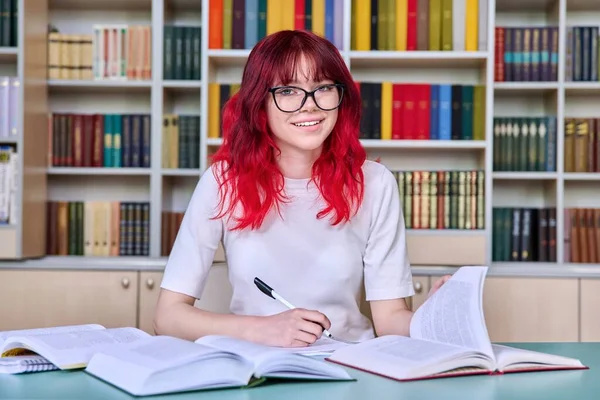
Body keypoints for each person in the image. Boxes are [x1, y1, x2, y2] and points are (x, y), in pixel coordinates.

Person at [154, 29, 450, 347]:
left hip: (349, 366)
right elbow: (167, 317)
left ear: (340, 97)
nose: (309, 105)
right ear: (259, 103)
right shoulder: (222, 182)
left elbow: (390, 319)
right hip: (255, 366)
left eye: (322, 87)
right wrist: (260, 329)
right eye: (288, 91)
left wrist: (432, 318)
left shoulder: (375, 183)